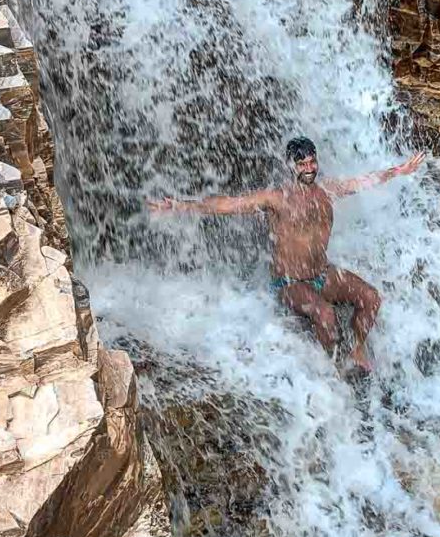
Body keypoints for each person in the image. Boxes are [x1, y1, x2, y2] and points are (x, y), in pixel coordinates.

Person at [147, 137, 425, 372]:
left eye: (312, 162)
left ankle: (357, 349)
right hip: (290, 283)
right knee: (324, 313)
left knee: (370, 297)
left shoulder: (327, 191)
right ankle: (336, 368)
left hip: (323, 274)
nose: (308, 168)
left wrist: (398, 170)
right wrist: (181, 206)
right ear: (291, 165)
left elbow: (364, 181)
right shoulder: (277, 198)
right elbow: (229, 205)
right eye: (302, 164)